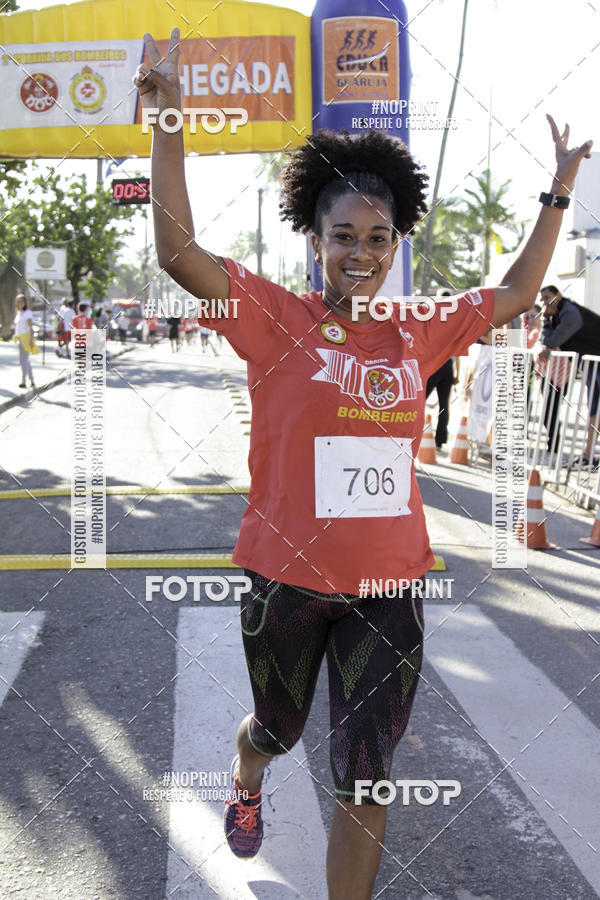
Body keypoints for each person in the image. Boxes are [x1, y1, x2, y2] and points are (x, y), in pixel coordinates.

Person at [135, 29, 592, 898]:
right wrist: (166, 114)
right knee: (276, 730)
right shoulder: (272, 317)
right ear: (315, 239)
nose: (362, 253)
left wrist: (557, 193)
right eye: (344, 234)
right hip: (285, 581)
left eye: (379, 238)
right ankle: (247, 775)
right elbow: (177, 253)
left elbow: (515, 292)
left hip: (388, 586)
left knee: (367, 777)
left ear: (396, 243)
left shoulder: (416, 329)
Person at [538, 285, 600, 465]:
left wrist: (546, 322)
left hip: (596, 361)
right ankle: (588, 456)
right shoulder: (555, 315)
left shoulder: (570, 312)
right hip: (592, 364)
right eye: (542, 299)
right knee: (595, 409)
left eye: (547, 297)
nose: (544, 302)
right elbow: (545, 340)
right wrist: (547, 322)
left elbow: (553, 341)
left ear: (558, 296)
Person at [425, 289, 457, 449]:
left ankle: (411, 433)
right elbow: (458, 350)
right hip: (447, 365)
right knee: (444, 405)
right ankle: (440, 439)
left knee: (419, 401)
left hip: (435, 364)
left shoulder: (433, 318)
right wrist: (456, 372)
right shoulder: (454, 320)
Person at [13, 293, 36, 390]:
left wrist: (31, 340)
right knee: (25, 361)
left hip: (26, 338)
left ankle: (23, 381)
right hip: (20, 338)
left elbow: (31, 328)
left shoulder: (27, 313)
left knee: (23, 361)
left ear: (25, 303)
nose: (20, 303)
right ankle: (32, 380)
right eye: (18, 301)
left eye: (22, 301)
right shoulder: (19, 313)